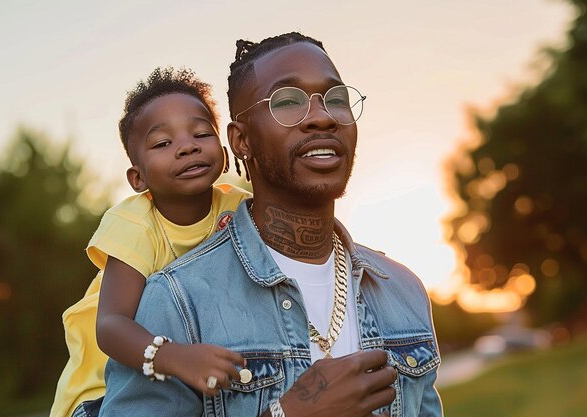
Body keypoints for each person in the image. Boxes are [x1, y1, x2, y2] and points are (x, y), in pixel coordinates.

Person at [99, 32, 442, 417]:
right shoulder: (179, 300)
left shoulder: (404, 292)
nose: (322, 116)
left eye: (337, 99)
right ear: (240, 141)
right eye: (287, 102)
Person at [49, 67, 251, 417]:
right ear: (137, 177)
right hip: (103, 392)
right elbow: (111, 326)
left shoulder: (237, 206)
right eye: (162, 143)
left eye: (201, 134)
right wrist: (176, 357)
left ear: (222, 148)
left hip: (181, 378)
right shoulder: (134, 224)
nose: (187, 147)